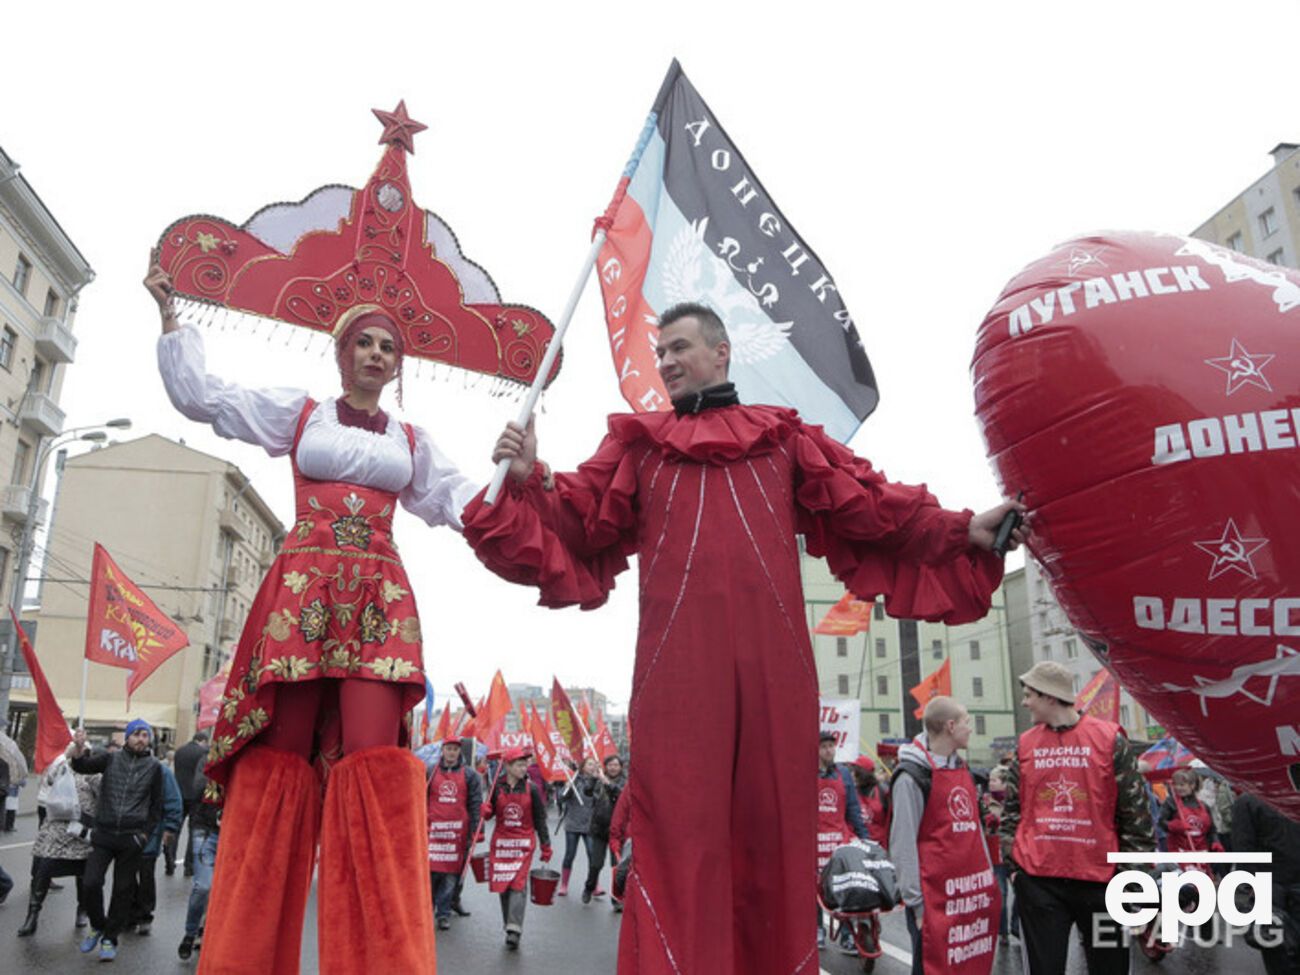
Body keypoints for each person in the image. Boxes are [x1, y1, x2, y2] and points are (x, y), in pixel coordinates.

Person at [465, 302, 1020, 973]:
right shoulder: (640, 446)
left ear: (722, 352)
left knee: (772, 832)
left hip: (774, 668)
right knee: (678, 834)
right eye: (659, 351)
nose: (665, 361)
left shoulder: (781, 438)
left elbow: (877, 508)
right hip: (676, 673)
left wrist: (964, 529)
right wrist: (534, 476)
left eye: (679, 347)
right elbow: (581, 520)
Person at [148, 261, 477, 974]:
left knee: (374, 761)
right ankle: (242, 955)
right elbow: (210, 398)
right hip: (303, 592)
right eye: (365, 343)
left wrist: (522, 475)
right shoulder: (301, 415)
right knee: (281, 755)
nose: (376, 355)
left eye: (388, 347)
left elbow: (467, 501)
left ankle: (380, 959)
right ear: (343, 353)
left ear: (397, 365)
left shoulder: (414, 443)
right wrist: (174, 325)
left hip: (380, 603)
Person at [1000, 661, 1153, 975]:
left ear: (1050, 698)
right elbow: (1012, 811)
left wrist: (1130, 876)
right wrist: (1016, 870)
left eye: (1030, 695)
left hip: (1102, 883)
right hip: (1040, 882)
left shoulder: (1110, 739)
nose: (1025, 702)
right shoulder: (1026, 744)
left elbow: (1136, 813)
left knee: (1110, 968)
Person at [890, 697, 1000, 975]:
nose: (970, 729)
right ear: (950, 726)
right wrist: (916, 906)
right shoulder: (912, 776)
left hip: (969, 898)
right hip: (934, 904)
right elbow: (902, 845)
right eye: (966, 722)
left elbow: (975, 832)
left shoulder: (963, 769)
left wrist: (988, 885)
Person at [69, 720, 170, 963]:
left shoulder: (155, 767)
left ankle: (109, 938)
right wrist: (79, 747)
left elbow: (157, 806)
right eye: (136, 734)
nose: (140, 738)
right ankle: (98, 925)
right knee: (91, 883)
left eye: (145, 735)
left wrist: (144, 835)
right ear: (127, 738)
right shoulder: (110, 759)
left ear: (149, 740)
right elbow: (81, 766)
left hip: (131, 838)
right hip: (103, 834)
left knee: (122, 891)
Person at [482, 747, 551, 949]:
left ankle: (514, 928)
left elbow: (540, 819)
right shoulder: (497, 786)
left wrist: (546, 845)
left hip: (523, 844)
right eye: (519, 765)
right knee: (504, 885)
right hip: (502, 843)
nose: (524, 768)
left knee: (518, 884)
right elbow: (489, 814)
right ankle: (509, 923)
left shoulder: (533, 789)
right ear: (508, 767)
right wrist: (485, 811)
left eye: (525, 764)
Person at [1232, 790, 1300, 974]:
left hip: (1273, 887)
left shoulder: (1247, 801)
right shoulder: (1249, 801)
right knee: (1278, 953)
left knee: (1278, 954)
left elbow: (1243, 848)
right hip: (1270, 888)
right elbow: (1244, 849)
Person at [817, 731, 868, 952]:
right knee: (815, 889)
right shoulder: (805, 773)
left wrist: (866, 839)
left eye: (831, 745)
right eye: (824, 746)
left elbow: (854, 809)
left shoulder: (844, 774)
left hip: (839, 840)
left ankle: (848, 934)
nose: (829, 750)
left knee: (847, 887)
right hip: (814, 842)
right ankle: (816, 929)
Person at [426, 738, 482, 931]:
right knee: (430, 875)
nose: (451, 753)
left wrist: (478, 830)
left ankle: (443, 913)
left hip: (457, 834)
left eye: (455, 750)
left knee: (451, 876)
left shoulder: (470, 775)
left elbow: (476, 804)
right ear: (443, 750)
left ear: (459, 752)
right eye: (448, 749)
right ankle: (428, 910)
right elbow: (420, 798)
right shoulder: (430, 771)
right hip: (432, 832)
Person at [130, 755, 182, 935]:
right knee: (126, 876)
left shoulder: (161, 770)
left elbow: (173, 799)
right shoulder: (124, 766)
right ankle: (129, 913)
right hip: (126, 831)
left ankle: (144, 915)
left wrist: (171, 826)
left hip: (150, 830)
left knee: (145, 874)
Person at [179, 762, 221, 960]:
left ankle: (208, 930)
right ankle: (190, 932)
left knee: (222, 889)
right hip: (205, 830)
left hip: (233, 833)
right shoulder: (210, 761)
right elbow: (194, 796)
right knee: (203, 886)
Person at [982, 766, 1018, 946]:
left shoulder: (1014, 802)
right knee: (1001, 896)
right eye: (989, 780)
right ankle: (1002, 932)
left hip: (1012, 855)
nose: (990, 783)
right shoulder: (986, 802)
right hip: (994, 858)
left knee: (1022, 892)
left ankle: (1016, 927)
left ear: (1004, 783)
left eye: (994, 780)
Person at [583, 754, 626, 904]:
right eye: (610, 765)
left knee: (617, 866)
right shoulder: (599, 779)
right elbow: (587, 791)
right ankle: (589, 887)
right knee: (596, 864)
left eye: (616, 765)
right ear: (605, 766)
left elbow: (619, 795)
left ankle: (617, 898)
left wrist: (605, 781)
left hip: (617, 831)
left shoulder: (624, 782)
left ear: (621, 767)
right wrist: (594, 777)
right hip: (599, 829)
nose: (613, 768)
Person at [168, 730, 209, 877]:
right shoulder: (202, 753)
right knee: (193, 831)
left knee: (175, 828)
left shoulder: (180, 751)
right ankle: (189, 866)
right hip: (195, 797)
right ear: (203, 741)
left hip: (178, 794)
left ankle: (170, 861)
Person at [557, 757, 599, 896]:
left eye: (594, 764)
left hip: (590, 824)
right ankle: (564, 884)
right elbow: (561, 798)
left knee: (593, 855)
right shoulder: (574, 779)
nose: (592, 767)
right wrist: (568, 786)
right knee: (570, 855)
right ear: (583, 766)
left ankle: (594, 885)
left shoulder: (597, 781)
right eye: (589, 764)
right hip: (573, 823)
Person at [850, 755, 890, 849]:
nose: (852, 774)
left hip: (880, 847)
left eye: (855, 771)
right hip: (858, 846)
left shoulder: (883, 792)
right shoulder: (852, 792)